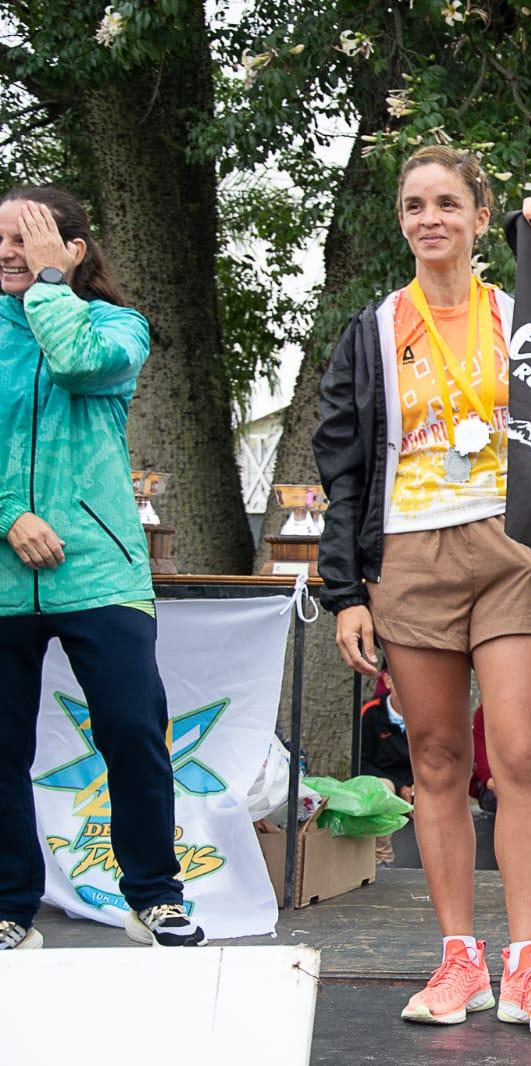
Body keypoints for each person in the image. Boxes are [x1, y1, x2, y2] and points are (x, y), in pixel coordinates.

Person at [315, 145, 531, 1033]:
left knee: (521, 754)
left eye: (447, 203)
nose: (429, 218)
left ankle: (529, 964)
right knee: (434, 759)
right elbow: (344, 468)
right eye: (413, 205)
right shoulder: (373, 330)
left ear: (482, 218)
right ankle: (457, 961)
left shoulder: (523, 318)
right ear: (400, 220)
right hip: (407, 556)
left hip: (514, 549)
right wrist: (346, 592)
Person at [0, 185, 207, 950]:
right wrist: (6, 516)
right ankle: (9, 909)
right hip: (1, 576)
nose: (7, 251)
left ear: (74, 251)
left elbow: (81, 365)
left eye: (25, 236)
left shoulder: (117, 325)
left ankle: (153, 896)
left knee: (132, 729)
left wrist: (51, 289)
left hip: (100, 573)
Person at [358, 668, 415, 865]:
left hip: (417, 782)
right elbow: (362, 763)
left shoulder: (425, 713)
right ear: (388, 681)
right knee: (383, 789)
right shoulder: (371, 713)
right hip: (386, 782)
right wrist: (401, 787)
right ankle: (382, 858)